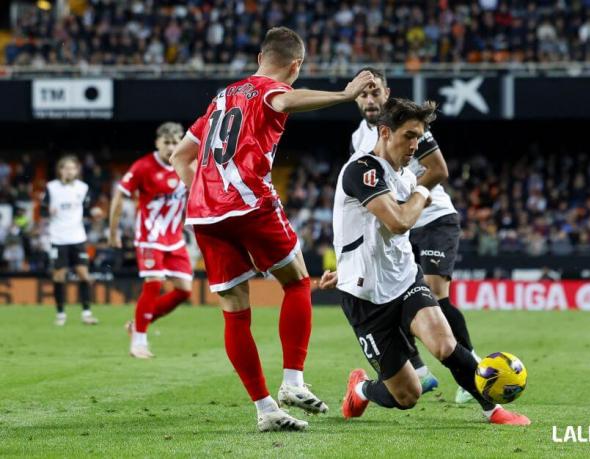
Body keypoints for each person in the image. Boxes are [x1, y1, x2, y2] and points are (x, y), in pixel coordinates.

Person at [169, 26, 375, 432]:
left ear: (259, 57)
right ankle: (293, 382)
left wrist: (204, 191)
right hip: (248, 202)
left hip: (204, 212)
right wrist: (345, 95)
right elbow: (285, 98)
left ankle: (265, 409)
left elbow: (180, 155)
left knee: (234, 310)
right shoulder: (267, 90)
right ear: (295, 64)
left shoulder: (222, 97)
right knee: (297, 282)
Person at [330, 97, 529, 425]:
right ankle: (362, 390)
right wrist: (424, 192)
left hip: (406, 280)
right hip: (366, 298)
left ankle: (493, 410)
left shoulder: (406, 177)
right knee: (407, 395)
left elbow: (387, 235)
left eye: (419, 137)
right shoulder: (361, 170)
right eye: (408, 135)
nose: (414, 145)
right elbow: (397, 223)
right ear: (384, 132)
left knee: (444, 344)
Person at [332, 66, 481, 403]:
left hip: (432, 217)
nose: (369, 99)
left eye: (375, 92)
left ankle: (467, 366)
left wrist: (412, 200)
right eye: (363, 93)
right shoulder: (359, 139)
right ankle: (415, 369)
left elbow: (439, 170)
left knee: (432, 294)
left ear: (387, 94)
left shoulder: (408, 123)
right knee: (398, 290)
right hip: (394, 229)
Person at [109, 122, 192, 359]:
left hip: (175, 238)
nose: (171, 147)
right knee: (154, 284)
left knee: (184, 291)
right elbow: (119, 196)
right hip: (149, 237)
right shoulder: (143, 166)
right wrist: (113, 232)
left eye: (176, 142)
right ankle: (139, 342)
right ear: (157, 143)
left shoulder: (186, 164)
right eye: (166, 142)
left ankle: (137, 324)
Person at [42, 155, 98, 326]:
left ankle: (86, 313)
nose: (69, 171)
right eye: (66, 168)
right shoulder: (51, 188)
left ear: (77, 170)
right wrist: (47, 211)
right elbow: (43, 211)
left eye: (72, 168)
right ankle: (61, 314)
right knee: (59, 275)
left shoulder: (83, 188)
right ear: (60, 170)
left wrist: (94, 211)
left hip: (77, 237)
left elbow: (88, 207)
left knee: (83, 274)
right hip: (58, 238)